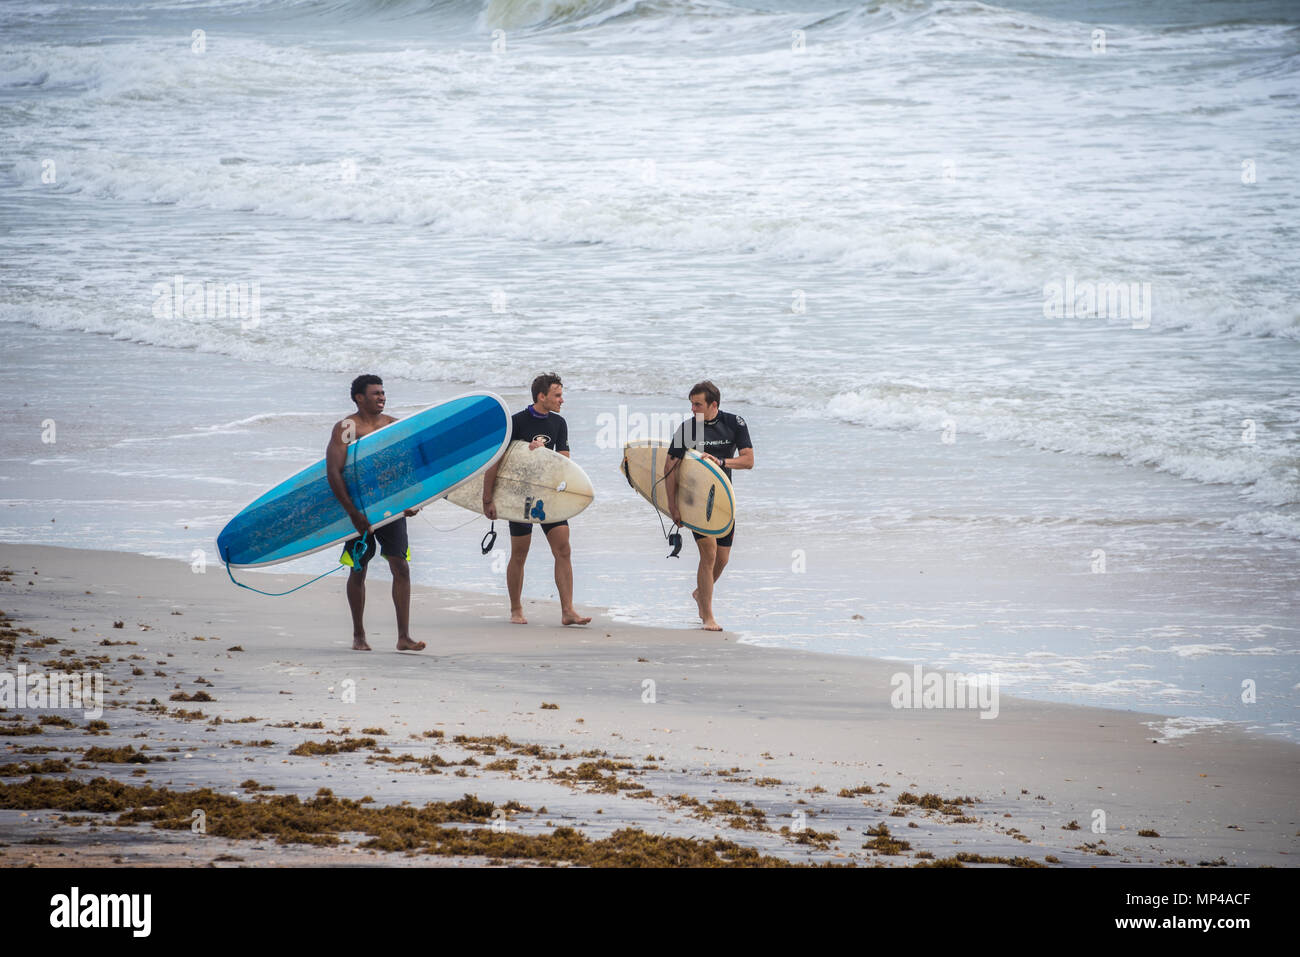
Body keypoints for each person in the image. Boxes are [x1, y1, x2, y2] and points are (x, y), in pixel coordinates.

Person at [481, 372, 592, 627]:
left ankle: (567, 610)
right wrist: (488, 499)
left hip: (547, 495)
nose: (561, 400)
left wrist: (542, 456)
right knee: (520, 553)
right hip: (521, 497)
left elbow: (564, 462)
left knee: (563, 549)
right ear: (541, 396)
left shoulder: (559, 423)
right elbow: (497, 461)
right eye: (557, 395)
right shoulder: (516, 423)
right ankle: (516, 609)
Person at [325, 374, 425, 652]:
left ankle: (404, 637)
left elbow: (407, 468)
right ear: (359, 397)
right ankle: (359, 635)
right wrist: (352, 512)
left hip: (390, 509)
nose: (382, 397)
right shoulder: (347, 428)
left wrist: (413, 500)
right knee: (358, 568)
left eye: (383, 392)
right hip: (359, 509)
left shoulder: (393, 425)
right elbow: (334, 472)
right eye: (375, 393)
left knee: (401, 567)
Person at [665, 380, 754, 632]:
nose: (693, 409)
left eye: (698, 404)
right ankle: (708, 616)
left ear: (713, 405)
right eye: (691, 404)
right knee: (709, 554)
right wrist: (673, 505)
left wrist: (721, 461)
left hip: (724, 501)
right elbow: (670, 467)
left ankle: (700, 594)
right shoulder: (687, 429)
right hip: (695, 502)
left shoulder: (734, 424)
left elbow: (748, 461)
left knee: (722, 559)